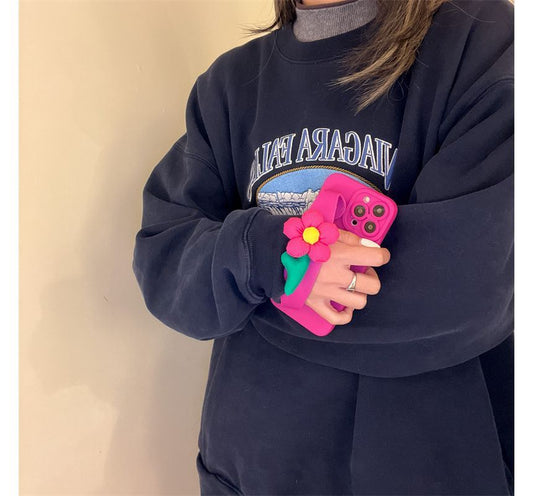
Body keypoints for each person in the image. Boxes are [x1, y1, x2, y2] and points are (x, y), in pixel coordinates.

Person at [132, 0, 514, 494]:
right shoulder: (227, 85)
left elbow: (467, 285)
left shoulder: (479, 37)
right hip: (252, 468)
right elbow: (164, 260)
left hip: (428, 464)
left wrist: (254, 285)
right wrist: (268, 259)